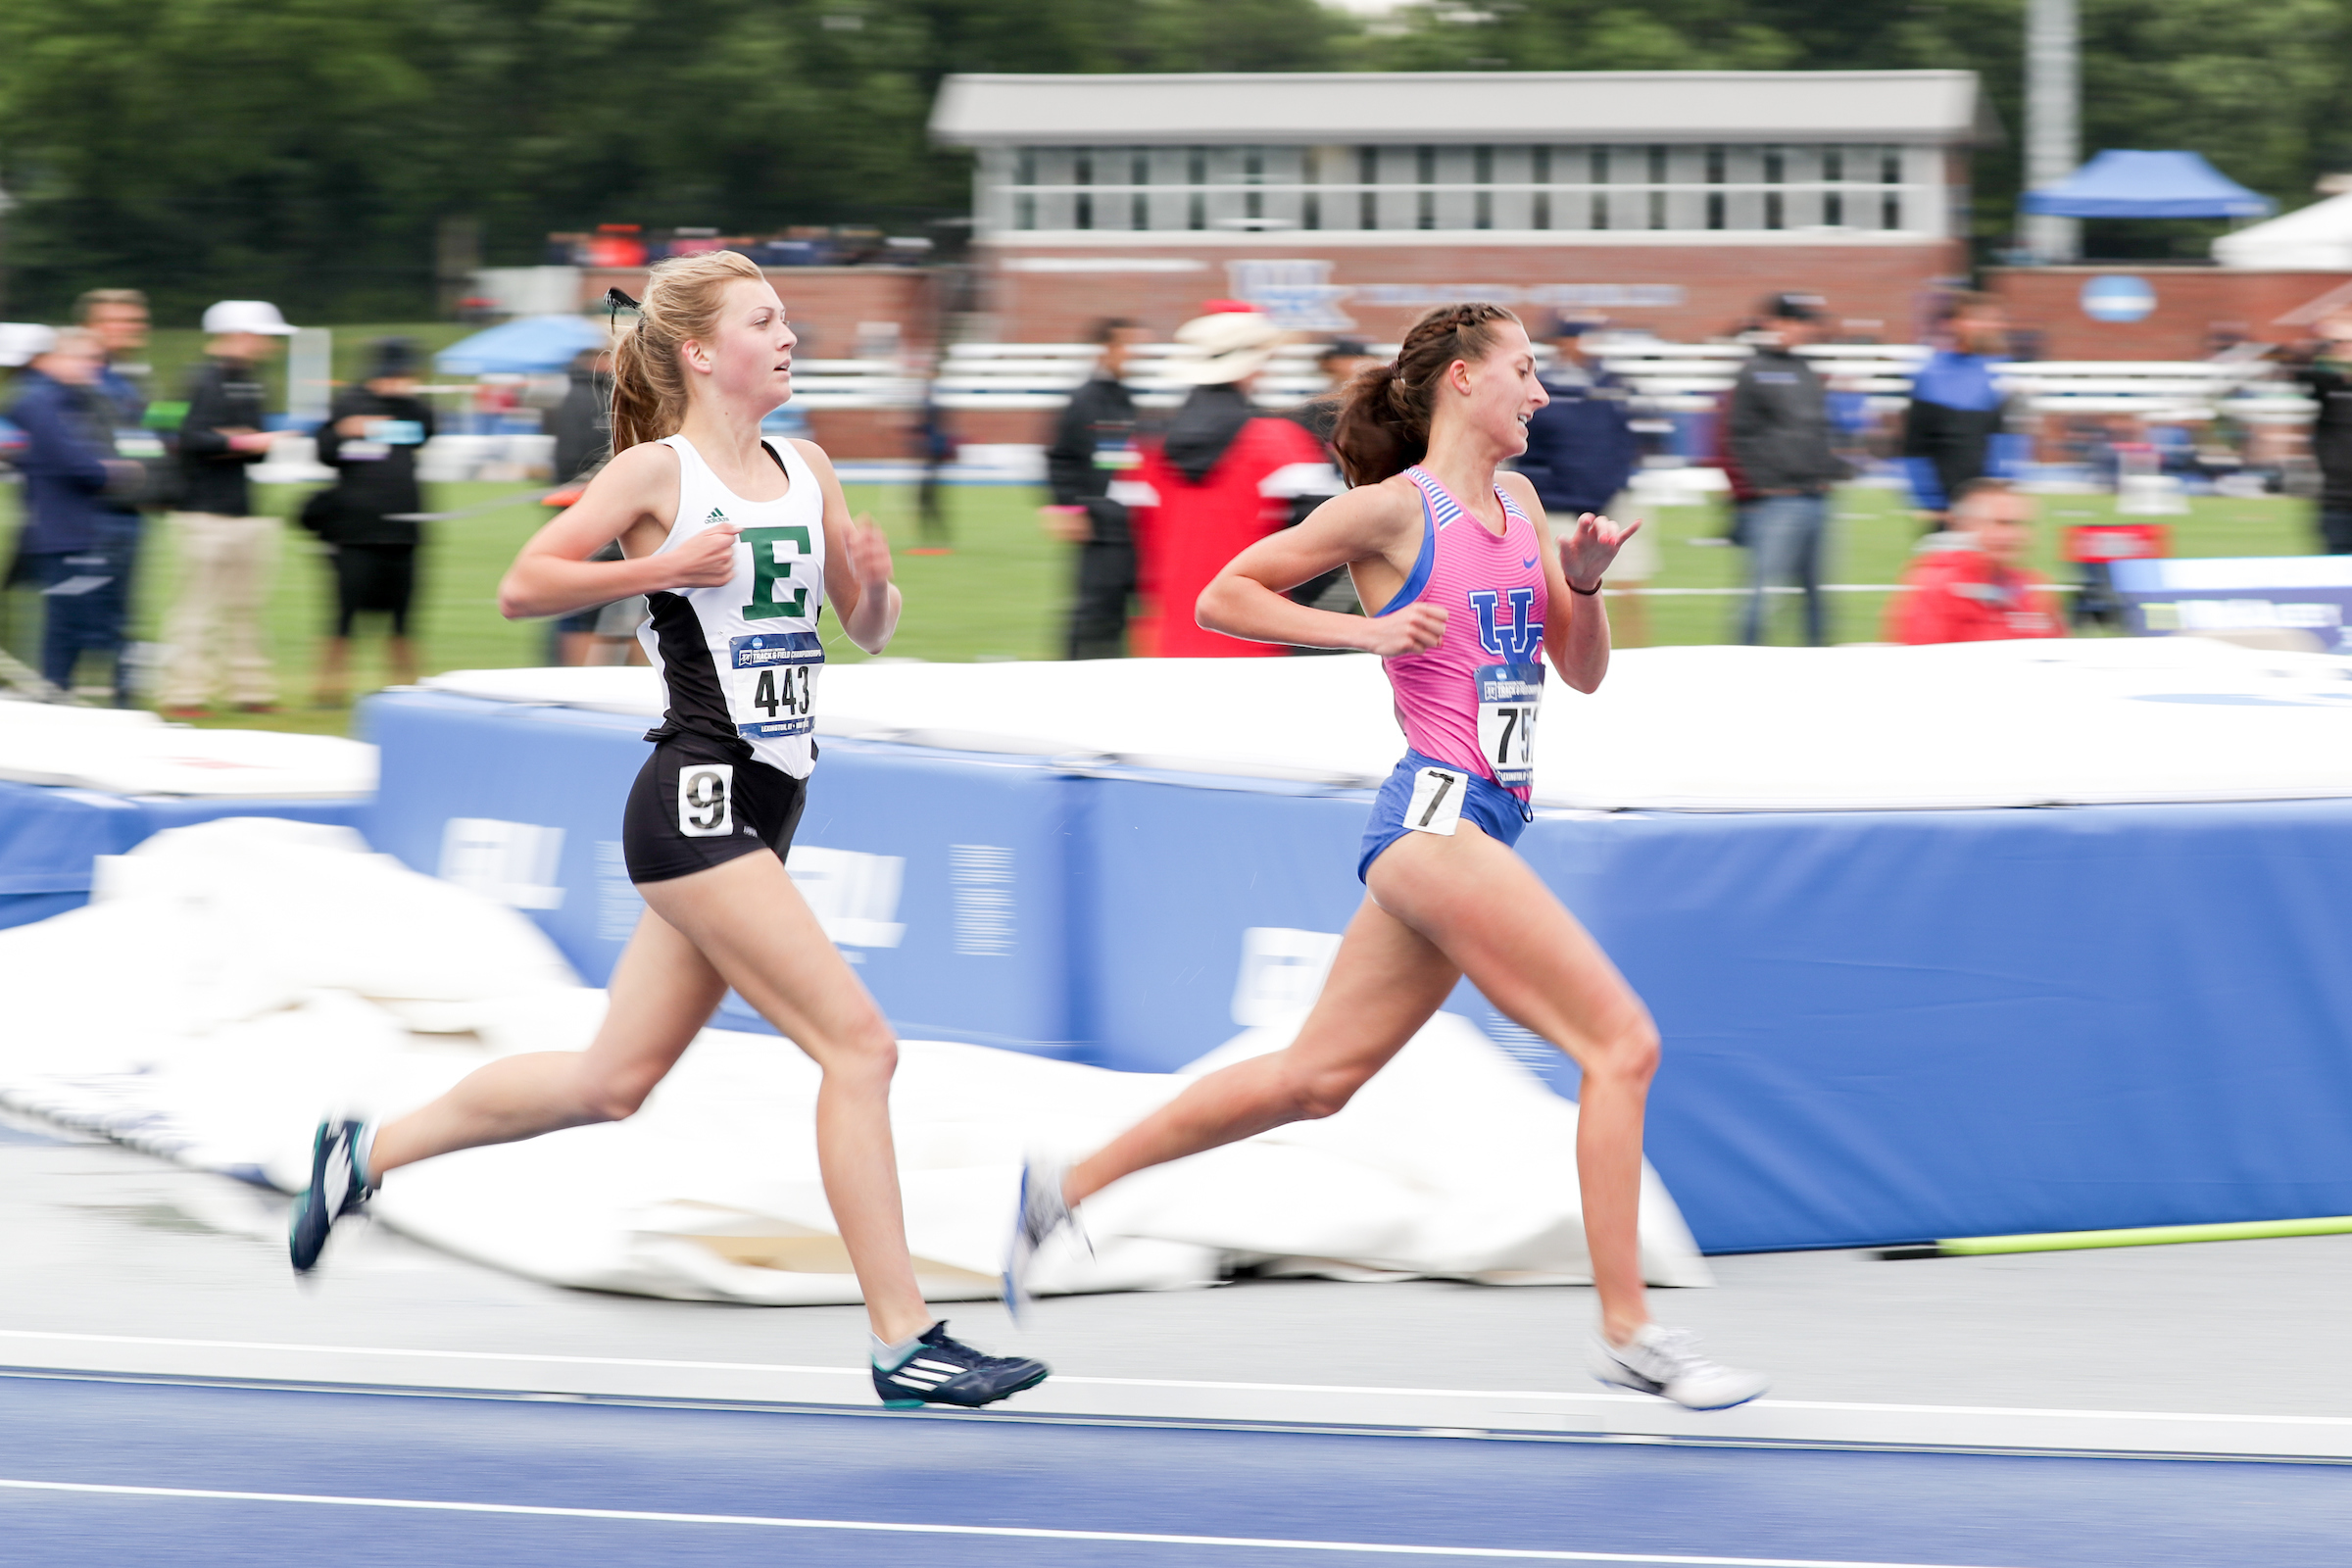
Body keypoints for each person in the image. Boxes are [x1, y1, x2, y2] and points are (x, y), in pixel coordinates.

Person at [284, 251, 1048, 1412]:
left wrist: (876, 584)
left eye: (788, 317)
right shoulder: (658, 471)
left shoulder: (810, 466)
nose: (790, 335)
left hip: (774, 801)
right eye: (765, 319)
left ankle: (364, 1154)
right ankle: (907, 1339)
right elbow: (524, 585)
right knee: (861, 1049)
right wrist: (661, 566)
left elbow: (869, 630)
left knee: (611, 1080)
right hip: (697, 796)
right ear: (701, 352)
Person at [1004, 303, 1767, 1413]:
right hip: (1435, 819)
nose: (1542, 393)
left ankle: (1062, 1187)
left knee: (1315, 1081)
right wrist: (1363, 632)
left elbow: (1581, 672)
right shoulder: (1388, 513)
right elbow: (1226, 595)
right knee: (1622, 1043)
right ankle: (1631, 1329)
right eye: (1524, 372)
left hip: (1481, 824)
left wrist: (1588, 584)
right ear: (1464, 380)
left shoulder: (1519, 501)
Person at [1129, 307, 1334, 658]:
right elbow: (1323, 556)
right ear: (1253, 367)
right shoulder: (1281, 443)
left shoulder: (1145, 447)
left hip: (1168, 643)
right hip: (1261, 639)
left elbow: (1122, 561)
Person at [160, 300, 297, 716]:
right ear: (240, 334)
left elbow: (252, 451)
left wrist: (250, 443)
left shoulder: (252, 383)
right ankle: (184, 692)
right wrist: (240, 441)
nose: (270, 345)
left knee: (246, 608)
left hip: (242, 509)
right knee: (198, 606)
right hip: (202, 511)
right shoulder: (196, 379)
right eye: (265, 336)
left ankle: (250, 689)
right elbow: (180, 437)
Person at [6, 327, 143, 703]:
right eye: (84, 358)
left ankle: (79, 695)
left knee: (83, 620)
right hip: (60, 531)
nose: (94, 366)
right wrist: (116, 471)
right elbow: (75, 463)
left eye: (96, 359)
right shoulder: (39, 403)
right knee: (73, 622)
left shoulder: (80, 401)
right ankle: (60, 693)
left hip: (80, 528)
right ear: (54, 360)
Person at [306, 338, 437, 706]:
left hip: (403, 529)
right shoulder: (348, 404)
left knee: (403, 617)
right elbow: (325, 451)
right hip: (355, 530)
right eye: (399, 372)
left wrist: (376, 424)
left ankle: (406, 687)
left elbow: (426, 429)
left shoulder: (414, 408)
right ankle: (329, 689)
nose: (404, 380)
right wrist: (348, 428)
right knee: (343, 615)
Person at [1517, 318, 1657, 646]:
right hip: (1560, 511)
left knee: (1629, 588)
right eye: (1579, 336)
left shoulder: (1611, 383)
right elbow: (1530, 450)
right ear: (1563, 341)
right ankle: (1567, 656)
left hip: (1611, 503)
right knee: (1558, 594)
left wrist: (1617, 481)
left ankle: (1634, 661)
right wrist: (1554, 491)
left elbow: (1628, 440)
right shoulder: (1542, 387)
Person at [1728, 293, 1849, 647]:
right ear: (1774, 324)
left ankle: (1819, 664)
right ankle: (1741, 663)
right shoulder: (1754, 371)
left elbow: (1816, 430)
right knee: (1760, 596)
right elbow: (1738, 435)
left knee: (1817, 597)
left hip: (1815, 498)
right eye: (1793, 321)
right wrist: (1763, 485)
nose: (1800, 330)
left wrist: (1831, 472)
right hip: (1777, 503)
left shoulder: (1805, 370)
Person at [1042, 317, 1149, 659]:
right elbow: (1060, 456)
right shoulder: (1085, 399)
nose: (1136, 354)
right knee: (1093, 608)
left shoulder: (1127, 397)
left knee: (1123, 611)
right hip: (1097, 522)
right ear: (1106, 349)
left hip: (1127, 521)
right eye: (1129, 345)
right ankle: (1073, 670)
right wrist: (1068, 508)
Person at [1885, 478, 2065, 645]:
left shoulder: (2035, 590)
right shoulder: (1937, 589)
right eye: (2000, 523)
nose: (2013, 535)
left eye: (2020, 524)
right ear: (1967, 526)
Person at [1900, 293, 2011, 528]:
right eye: (1976, 319)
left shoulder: (1993, 374)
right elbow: (1913, 449)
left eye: (1990, 321)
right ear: (1953, 324)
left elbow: (2002, 443)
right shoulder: (1932, 375)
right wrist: (1933, 504)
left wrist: (2002, 496)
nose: (1986, 327)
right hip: (1948, 512)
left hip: (1988, 510)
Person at [2288, 310, 2352, 555]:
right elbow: (2297, 368)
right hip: (2337, 503)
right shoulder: (2328, 387)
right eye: (2340, 343)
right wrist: (2323, 341)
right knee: (2337, 577)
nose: (2345, 348)